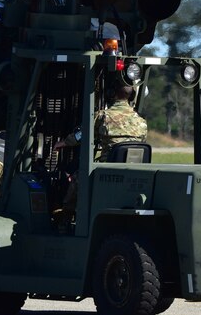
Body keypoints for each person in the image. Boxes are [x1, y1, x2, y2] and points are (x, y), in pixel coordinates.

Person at [52, 80, 147, 218]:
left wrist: (64, 143)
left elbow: (82, 135)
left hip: (108, 168)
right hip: (133, 171)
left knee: (79, 176)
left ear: (111, 93)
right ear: (131, 96)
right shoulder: (141, 120)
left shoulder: (103, 116)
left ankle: (67, 212)